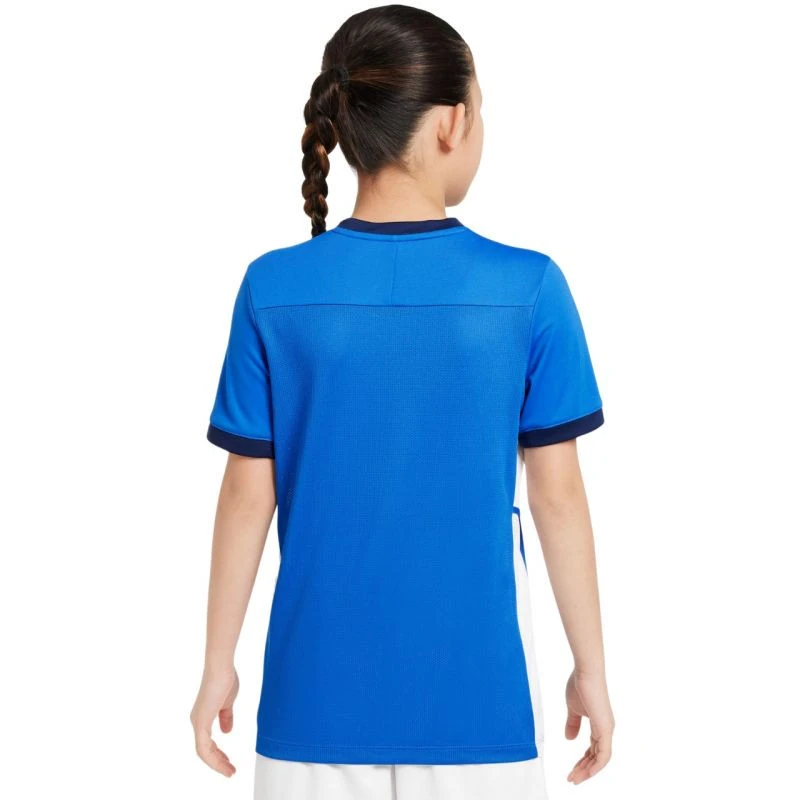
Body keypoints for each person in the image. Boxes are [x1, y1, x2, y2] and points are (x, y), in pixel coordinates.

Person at [190, 5, 615, 799]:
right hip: (477, 707)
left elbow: (247, 495)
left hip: (310, 698)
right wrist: (589, 667)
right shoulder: (528, 288)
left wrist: (218, 662)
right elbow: (557, 495)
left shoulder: (272, 287)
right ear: (452, 122)